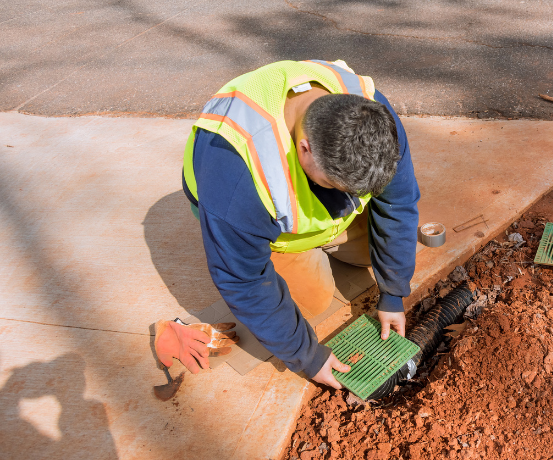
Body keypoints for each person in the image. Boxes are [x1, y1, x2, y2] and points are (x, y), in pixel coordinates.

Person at [154, 59, 420, 389]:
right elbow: (244, 281)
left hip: (286, 201)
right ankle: (302, 253)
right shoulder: (237, 173)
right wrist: (307, 356)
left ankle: (330, 240)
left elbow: (398, 203)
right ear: (304, 148)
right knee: (310, 303)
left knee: (375, 254)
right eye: (335, 185)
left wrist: (394, 293)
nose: (348, 200)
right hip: (257, 221)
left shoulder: (373, 115)